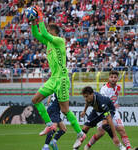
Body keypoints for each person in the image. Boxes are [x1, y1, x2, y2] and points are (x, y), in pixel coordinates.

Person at [29, 5, 86, 147]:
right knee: (35, 100)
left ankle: (80, 133)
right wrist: (33, 22)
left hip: (62, 79)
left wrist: (40, 15)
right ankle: (49, 125)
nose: (46, 32)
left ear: (54, 32)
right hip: (53, 79)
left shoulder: (59, 41)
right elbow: (37, 34)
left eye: (48, 30)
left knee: (65, 110)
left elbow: (44, 33)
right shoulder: (48, 42)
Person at [82, 70, 138, 150]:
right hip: (104, 112)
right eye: (111, 77)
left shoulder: (118, 87)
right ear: (109, 78)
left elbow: (114, 99)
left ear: (117, 79)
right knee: (101, 133)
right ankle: (88, 145)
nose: (113, 79)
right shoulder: (104, 89)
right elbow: (103, 104)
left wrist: (115, 105)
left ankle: (129, 148)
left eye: (115, 77)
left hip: (113, 111)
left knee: (121, 129)